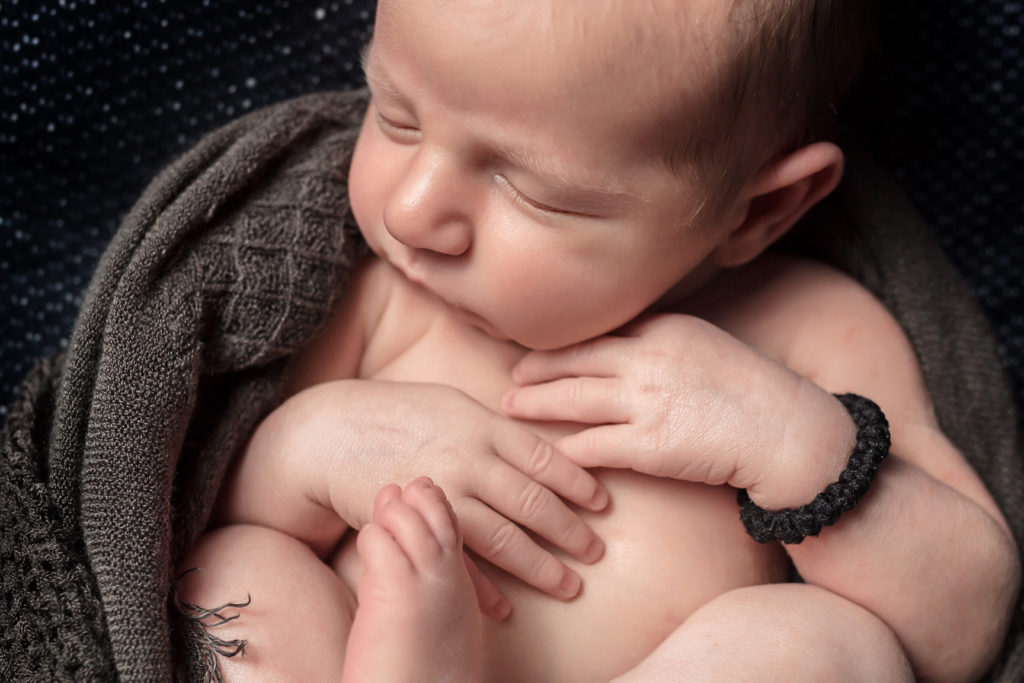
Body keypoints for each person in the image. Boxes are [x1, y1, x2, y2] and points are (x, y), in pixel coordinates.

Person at [178, 0, 1021, 680]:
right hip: (350, 653)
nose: (413, 211)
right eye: (396, 116)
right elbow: (209, 493)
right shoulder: (383, 300)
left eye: (535, 190)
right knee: (231, 572)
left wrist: (793, 440)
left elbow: (966, 625)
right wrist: (318, 446)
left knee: (834, 649)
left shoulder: (808, 325)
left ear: (759, 211)